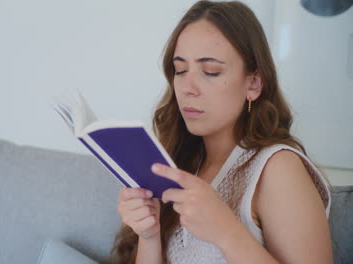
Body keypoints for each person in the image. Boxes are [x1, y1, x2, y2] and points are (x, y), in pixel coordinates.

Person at [109, 1, 333, 263]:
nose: (187, 88)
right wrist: (149, 236)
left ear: (253, 83)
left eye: (210, 71)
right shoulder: (181, 162)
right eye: (180, 70)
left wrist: (227, 232)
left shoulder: (278, 168)